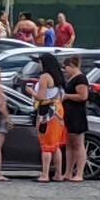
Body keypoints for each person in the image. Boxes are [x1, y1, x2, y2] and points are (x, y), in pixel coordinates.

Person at [33, 52, 67, 182]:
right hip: (59, 111)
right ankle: (58, 173)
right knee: (56, 145)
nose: (39, 65)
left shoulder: (44, 77)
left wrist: (31, 91)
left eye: (40, 62)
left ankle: (45, 174)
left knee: (46, 145)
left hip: (47, 113)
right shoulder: (58, 76)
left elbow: (41, 97)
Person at [62, 55, 90, 182]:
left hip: (77, 114)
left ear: (72, 66)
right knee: (69, 144)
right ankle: (68, 172)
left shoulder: (80, 79)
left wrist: (67, 96)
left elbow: (83, 96)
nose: (65, 70)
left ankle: (79, 172)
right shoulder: (71, 78)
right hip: (68, 114)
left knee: (78, 144)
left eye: (66, 67)